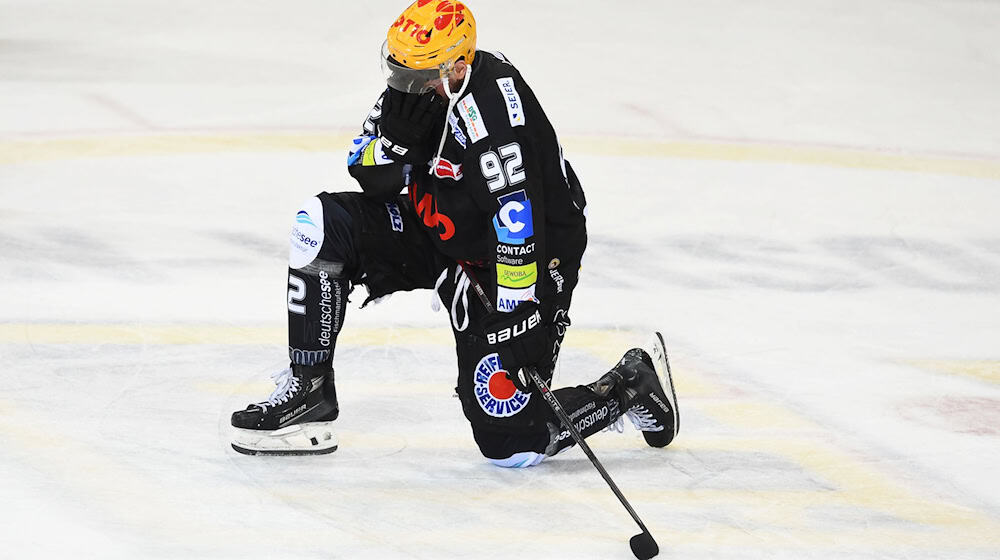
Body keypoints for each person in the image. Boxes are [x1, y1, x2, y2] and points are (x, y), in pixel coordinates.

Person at [230, 0, 680, 467]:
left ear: (457, 68)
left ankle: (628, 385)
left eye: (415, 75)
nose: (403, 84)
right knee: (319, 223)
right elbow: (361, 163)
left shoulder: (496, 118)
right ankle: (310, 389)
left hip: (515, 260)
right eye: (397, 70)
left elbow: (515, 218)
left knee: (510, 443)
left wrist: (519, 311)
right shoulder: (417, 84)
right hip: (440, 231)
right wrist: (395, 145)